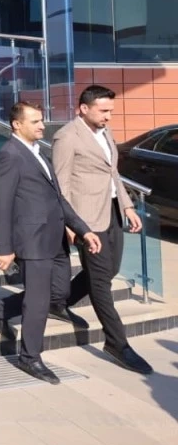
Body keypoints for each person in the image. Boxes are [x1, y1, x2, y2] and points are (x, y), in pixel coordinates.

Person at [0, 102, 102, 384]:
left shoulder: (38, 153)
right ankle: (30, 357)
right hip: (32, 240)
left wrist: (83, 230)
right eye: (35, 121)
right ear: (17, 124)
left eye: (41, 120)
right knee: (38, 301)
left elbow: (58, 199)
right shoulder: (9, 155)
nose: (42, 125)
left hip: (55, 237)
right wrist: (4, 249)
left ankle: (1, 308)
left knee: (59, 292)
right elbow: (2, 205)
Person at [51, 86, 153, 374]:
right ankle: (117, 343)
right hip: (86, 220)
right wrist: (70, 223)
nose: (108, 116)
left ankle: (57, 302)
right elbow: (61, 185)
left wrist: (128, 206)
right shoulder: (67, 137)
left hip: (111, 212)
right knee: (100, 281)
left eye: (111, 111)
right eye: (103, 110)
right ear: (83, 108)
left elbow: (112, 173)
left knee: (110, 269)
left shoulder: (105, 132)